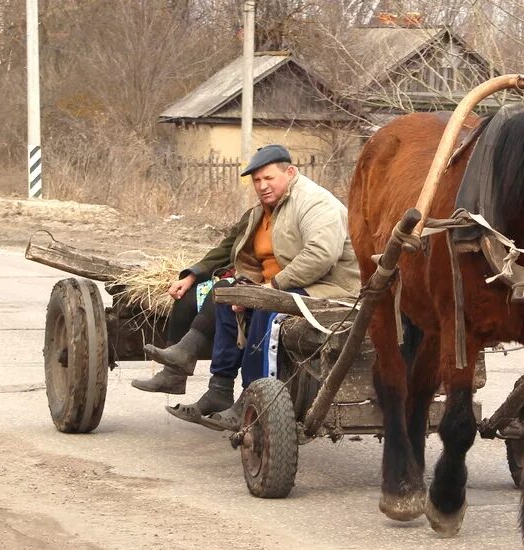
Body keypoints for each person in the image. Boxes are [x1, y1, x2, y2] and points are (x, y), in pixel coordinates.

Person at [132, 144, 359, 429]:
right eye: (256, 180)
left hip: (330, 286)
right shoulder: (267, 208)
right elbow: (231, 248)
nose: (262, 186)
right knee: (229, 293)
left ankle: (254, 398)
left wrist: (270, 288)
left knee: (266, 309)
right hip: (287, 283)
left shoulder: (314, 203)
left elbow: (320, 256)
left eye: (269, 178)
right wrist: (241, 285)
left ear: (289, 172)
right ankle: (219, 390)